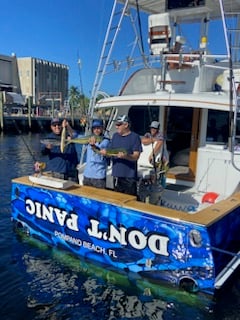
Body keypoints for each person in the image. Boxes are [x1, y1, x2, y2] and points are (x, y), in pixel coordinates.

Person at [102, 115, 142, 196]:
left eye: (119, 124)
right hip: (117, 176)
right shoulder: (115, 136)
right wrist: (105, 153)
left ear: (126, 125)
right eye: (116, 124)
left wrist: (126, 156)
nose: (116, 127)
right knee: (117, 199)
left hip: (129, 177)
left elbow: (136, 156)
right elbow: (110, 152)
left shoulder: (135, 137)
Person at [83, 119, 110, 189]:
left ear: (102, 128)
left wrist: (93, 145)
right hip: (87, 175)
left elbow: (100, 150)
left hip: (99, 176)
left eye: (98, 128)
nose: (96, 130)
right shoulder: (88, 139)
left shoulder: (105, 140)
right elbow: (76, 136)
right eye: (94, 128)